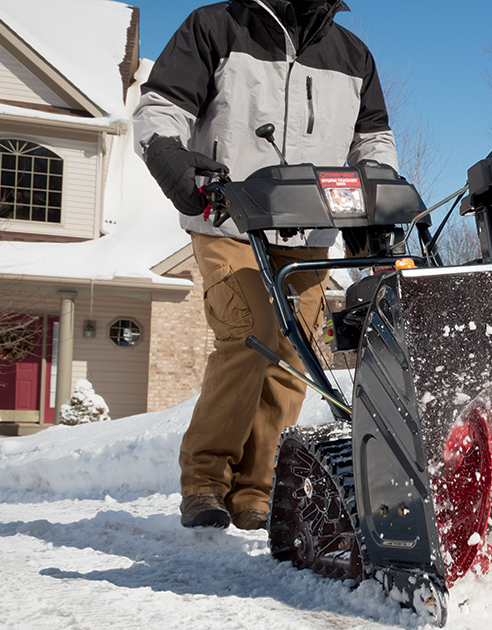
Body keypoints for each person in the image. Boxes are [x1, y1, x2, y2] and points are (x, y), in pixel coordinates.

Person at [134, 0, 397, 529]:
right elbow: (158, 108)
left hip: (310, 229)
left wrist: (377, 194)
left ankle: (258, 487)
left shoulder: (352, 54)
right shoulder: (218, 25)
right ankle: (205, 479)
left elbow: (373, 140)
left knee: (293, 354)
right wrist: (173, 162)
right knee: (250, 332)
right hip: (229, 220)